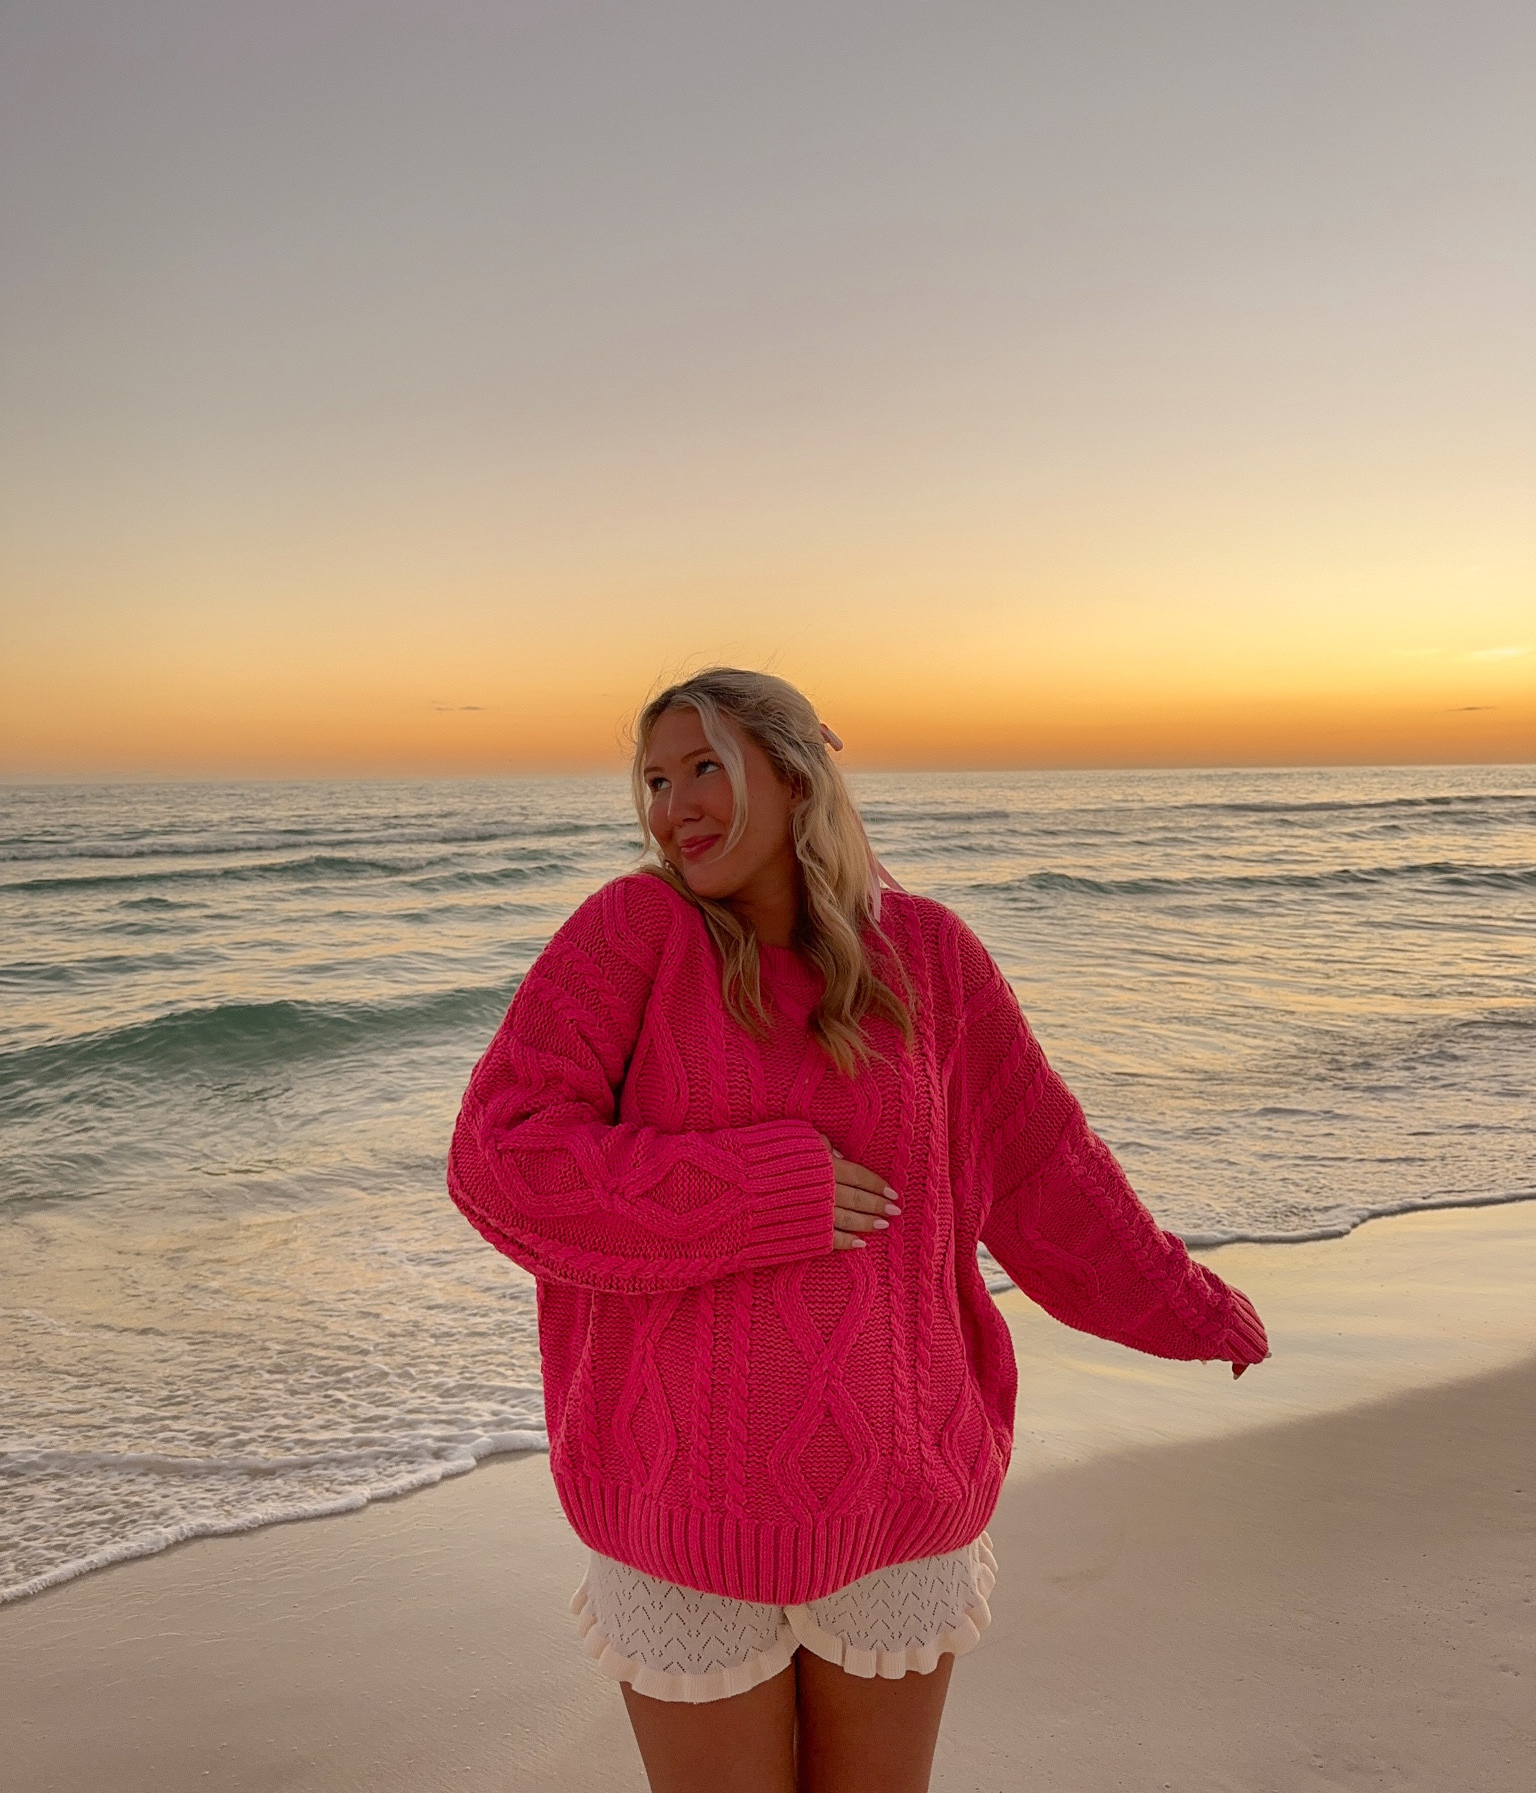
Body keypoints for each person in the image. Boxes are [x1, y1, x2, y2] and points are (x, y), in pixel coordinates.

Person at [447, 668, 1267, 1793]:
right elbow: (502, 1157)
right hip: (682, 1510)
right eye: (653, 778)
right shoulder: (630, 932)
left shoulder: (930, 955)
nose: (672, 805)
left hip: (901, 1495)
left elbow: (1045, 1169)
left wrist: (1189, 1304)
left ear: (794, 776)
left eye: (705, 768)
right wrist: (763, 1188)